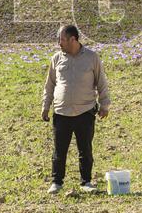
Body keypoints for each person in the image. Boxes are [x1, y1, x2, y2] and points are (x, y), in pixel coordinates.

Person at [41, 24, 110, 194]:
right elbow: (49, 85)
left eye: (62, 39)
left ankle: (85, 182)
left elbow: (101, 82)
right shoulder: (56, 58)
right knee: (59, 150)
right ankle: (57, 182)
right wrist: (45, 106)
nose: (59, 43)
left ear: (73, 39)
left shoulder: (92, 58)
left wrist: (105, 104)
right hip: (61, 112)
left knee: (85, 149)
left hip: (85, 112)